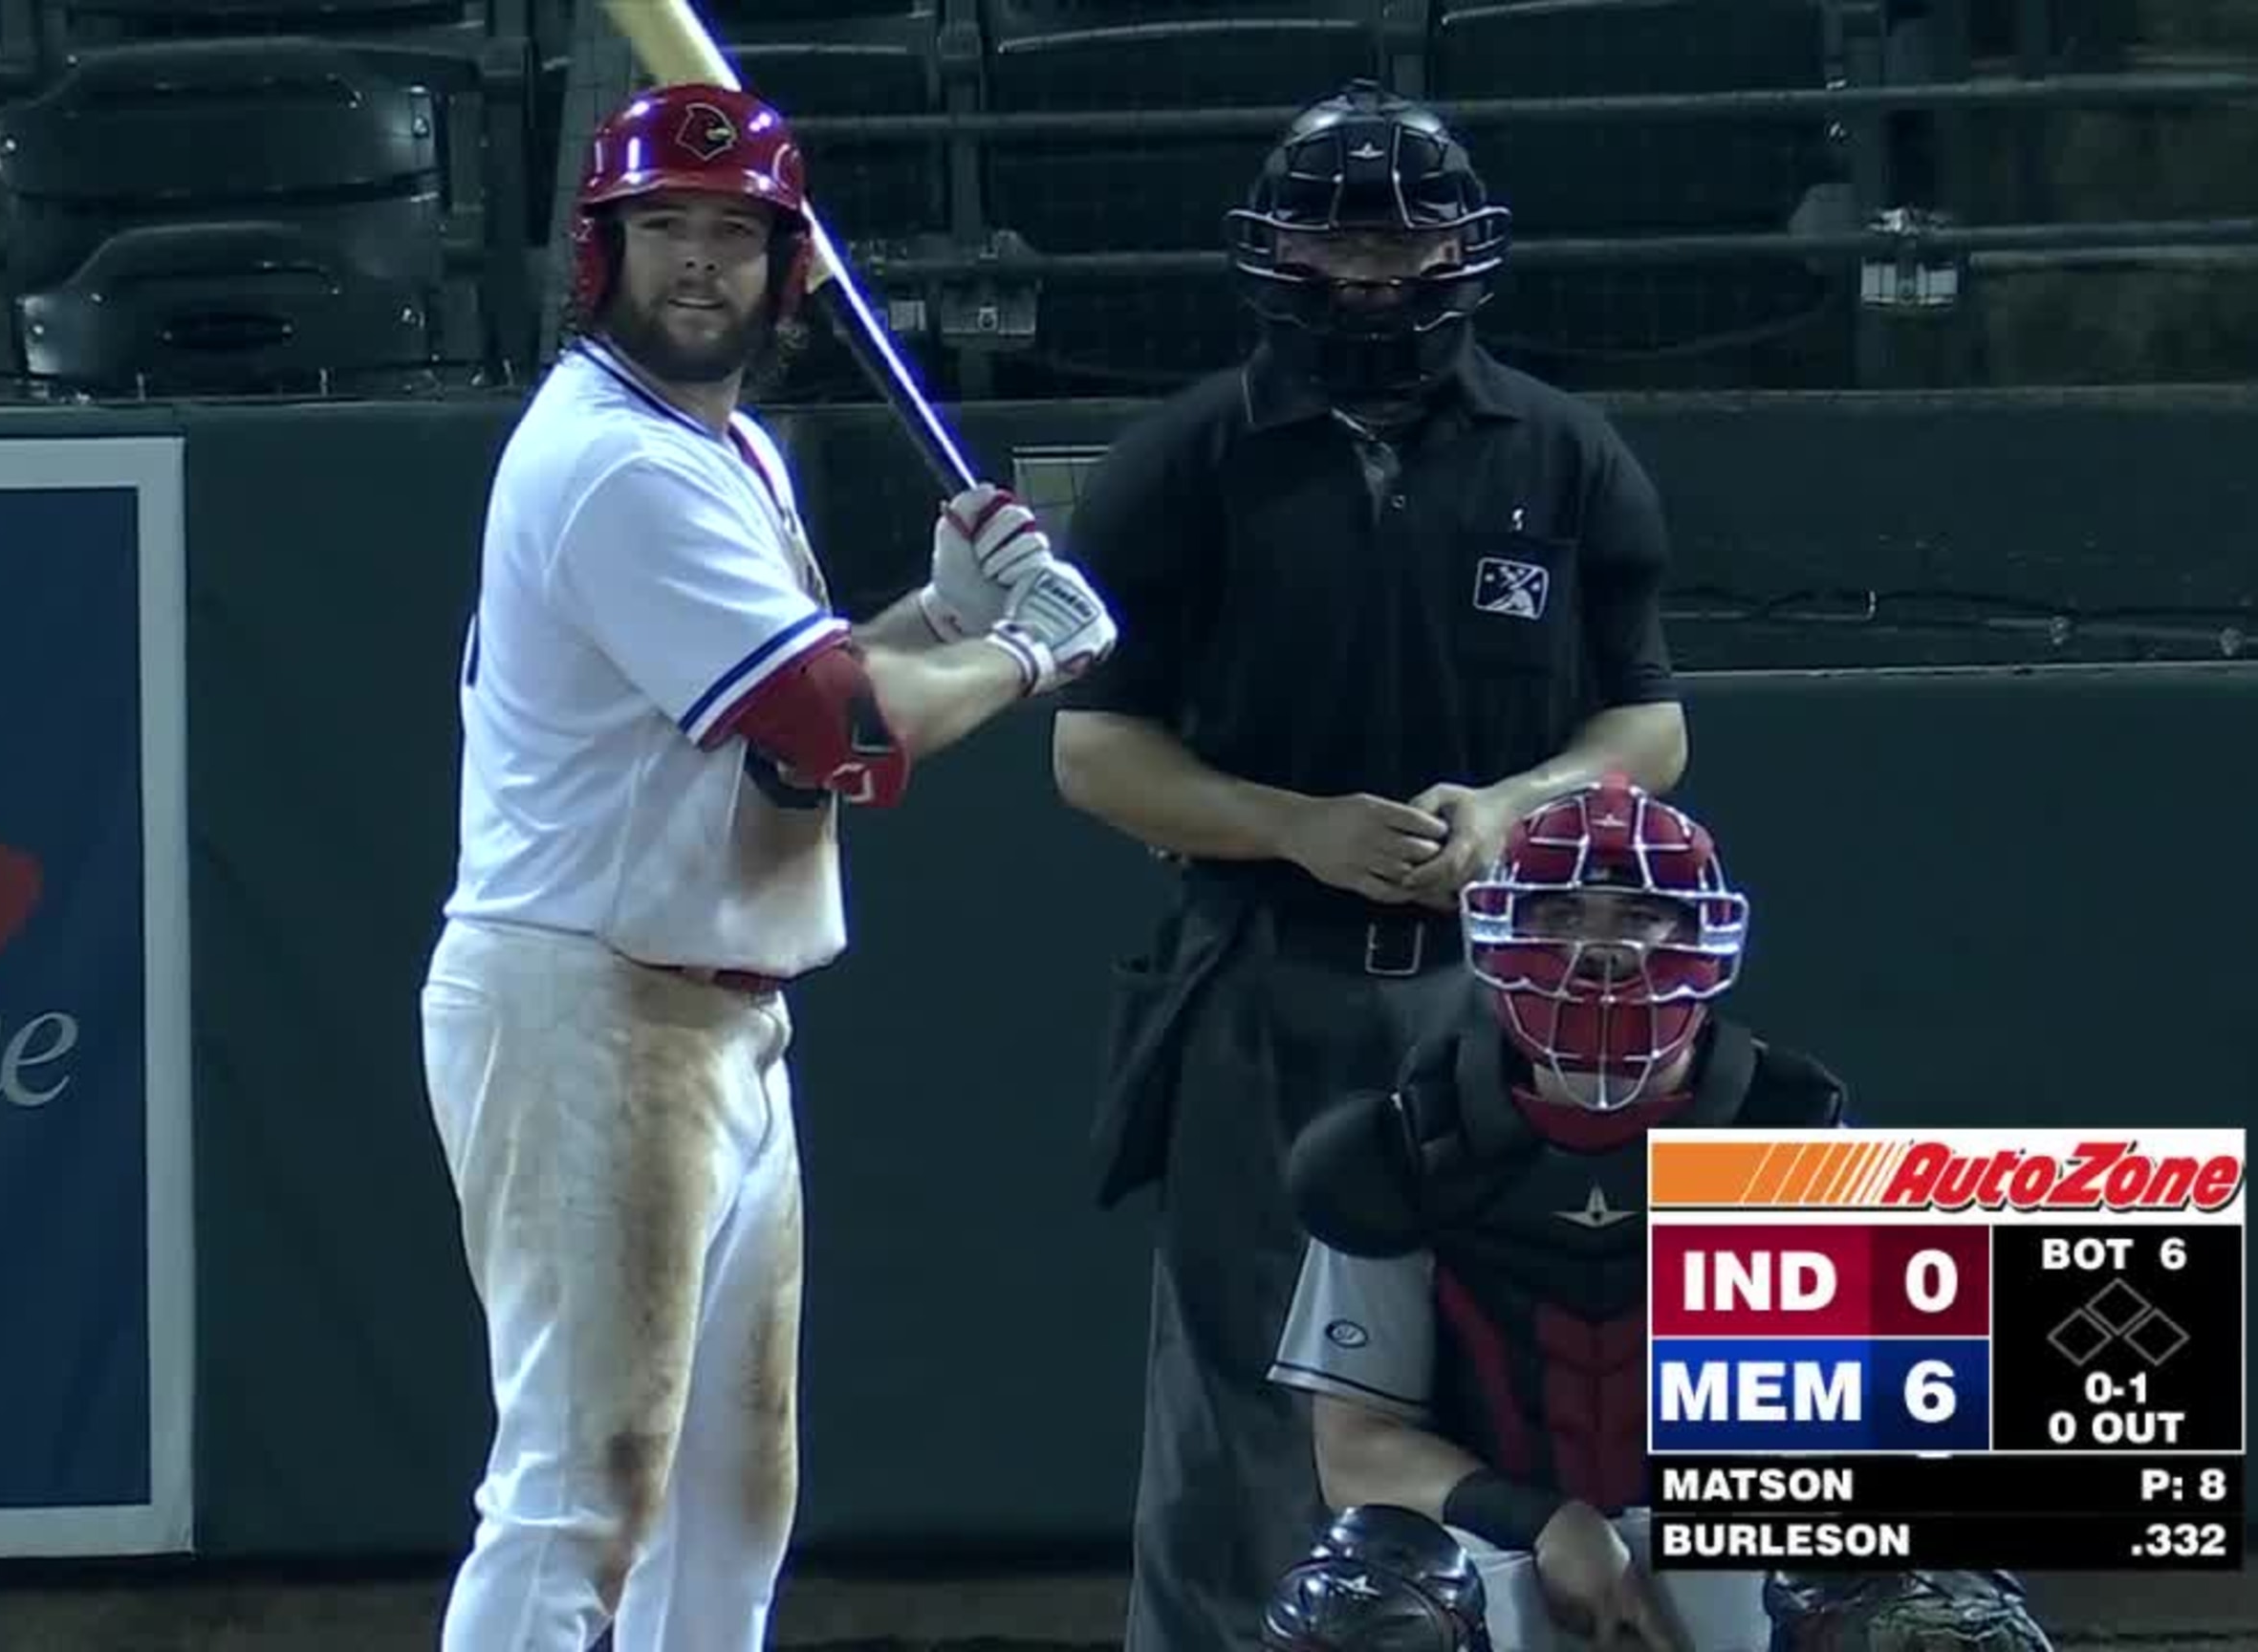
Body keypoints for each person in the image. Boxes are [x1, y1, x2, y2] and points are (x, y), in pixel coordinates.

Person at [416, 82, 1116, 1652]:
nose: (695, 263)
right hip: (587, 1002)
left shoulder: (722, 451)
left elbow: (780, 729)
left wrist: (934, 624)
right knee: (581, 1487)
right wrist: (1021, 652)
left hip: (708, 1014)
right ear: (598, 253)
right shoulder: (620, 464)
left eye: (733, 235)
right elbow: (843, 731)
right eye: (661, 226)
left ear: (785, 269)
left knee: (732, 1499)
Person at [1049, 79, 1691, 1650]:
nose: (1374, 269)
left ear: (1460, 248)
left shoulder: (1564, 450)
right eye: (1342, 238)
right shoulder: (1183, 461)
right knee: (1244, 1404)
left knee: (1510, 1371)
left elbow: (1649, 722)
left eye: (1402, 235)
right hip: (1265, 984)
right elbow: (1089, 749)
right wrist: (1294, 822)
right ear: (1282, 252)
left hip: (1509, 1002)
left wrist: (1517, 806)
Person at [1268, 778, 1834, 1651]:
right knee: (1360, 1606)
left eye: (1640, 915)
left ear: (1701, 935)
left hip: (1727, 1541)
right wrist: (1548, 1523)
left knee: (1913, 1591)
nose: (1600, 953)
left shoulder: (1796, 1132)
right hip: (1505, 1548)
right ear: (1501, 930)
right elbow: (1356, 1452)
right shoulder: (1406, 1149)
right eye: (1563, 914)